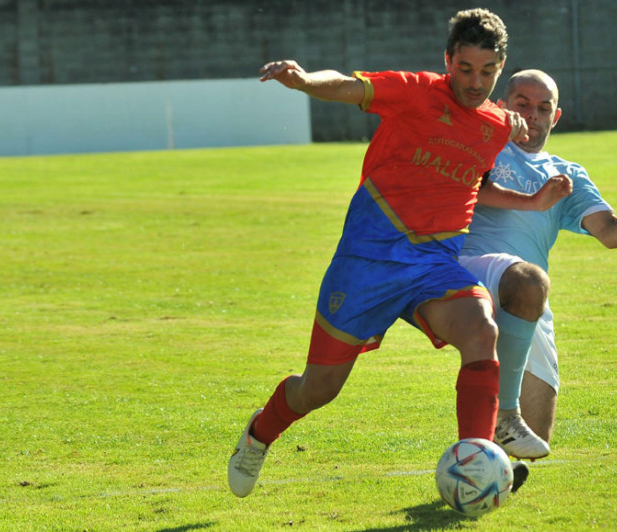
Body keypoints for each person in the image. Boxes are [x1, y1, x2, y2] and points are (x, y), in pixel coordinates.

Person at [227, 10, 572, 498]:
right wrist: (304, 80)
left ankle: (476, 461)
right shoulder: (415, 91)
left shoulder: (495, 125)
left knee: (481, 327)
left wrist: (533, 202)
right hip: (366, 264)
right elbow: (346, 86)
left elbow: (474, 181)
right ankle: (258, 436)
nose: (475, 82)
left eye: (487, 71)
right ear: (447, 60)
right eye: (466, 68)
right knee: (318, 389)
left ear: (500, 68)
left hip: (432, 266)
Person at [459, 69, 617, 456]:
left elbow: (608, 231)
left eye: (544, 108)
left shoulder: (567, 174)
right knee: (525, 282)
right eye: (522, 104)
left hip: (527, 291)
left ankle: (483, 476)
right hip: (471, 272)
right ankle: (500, 419)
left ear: (555, 116)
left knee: (536, 435)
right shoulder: (482, 144)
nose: (533, 115)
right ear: (503, 105)